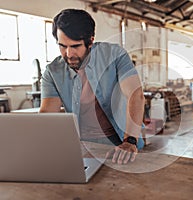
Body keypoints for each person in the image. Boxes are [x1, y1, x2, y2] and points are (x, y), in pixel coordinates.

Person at [39, 8, 145, 165]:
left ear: (91, 41)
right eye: (62, 46)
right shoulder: (53, 71)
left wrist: (130, 141)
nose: (68, 54)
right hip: (83, 145)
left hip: (122, 140)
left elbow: (135, 95)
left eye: (75, 46)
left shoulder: (115, 55)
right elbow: (48, 114)